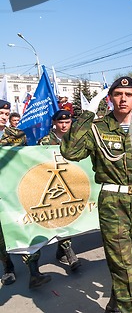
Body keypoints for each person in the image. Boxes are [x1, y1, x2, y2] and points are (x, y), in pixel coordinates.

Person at [60, 77, 132, 313]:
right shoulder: (96, 128)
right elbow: (70, 152)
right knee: (124, 268)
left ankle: (114, 306)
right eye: (118, 94)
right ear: (110, 98)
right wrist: (85, 115)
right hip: (113, 204)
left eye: (128, 95)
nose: (123, 99)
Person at [0, 99, 52, 288]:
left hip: (13, 190)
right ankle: (8, 267)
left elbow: (24, 159)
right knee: (2, 236)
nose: (4, 117)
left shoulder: (17, 135)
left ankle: (34, 272)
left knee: (25, 228)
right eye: (1, 114)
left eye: (6, 114)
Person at [38, 110, 81, 271]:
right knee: (61, 217)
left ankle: (61, 250)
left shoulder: (74, 140)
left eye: (67, 122)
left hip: (72, 184)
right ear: (54, 123)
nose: (64, 125)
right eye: (60, 122)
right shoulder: (44, 141)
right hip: (53, 185)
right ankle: (69, 253)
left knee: (69, 217)